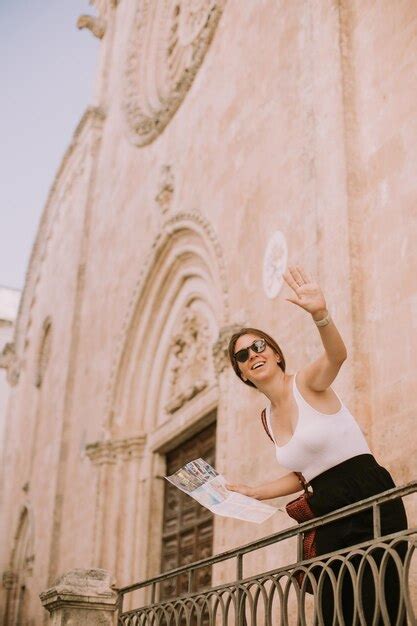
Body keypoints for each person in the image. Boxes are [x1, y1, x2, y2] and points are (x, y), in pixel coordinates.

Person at [226, 265, 408, 625]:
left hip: (365, 493)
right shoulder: (266, 419)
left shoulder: (307, 383)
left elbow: (336, 356)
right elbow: (304, 474)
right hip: (326, 511)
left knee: (378, 606)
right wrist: (254, 491)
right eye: (242, 356)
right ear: (242, 373)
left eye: (258, 346)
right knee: (335, 611)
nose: (252, 355)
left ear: (276, 353)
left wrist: (320, 315)